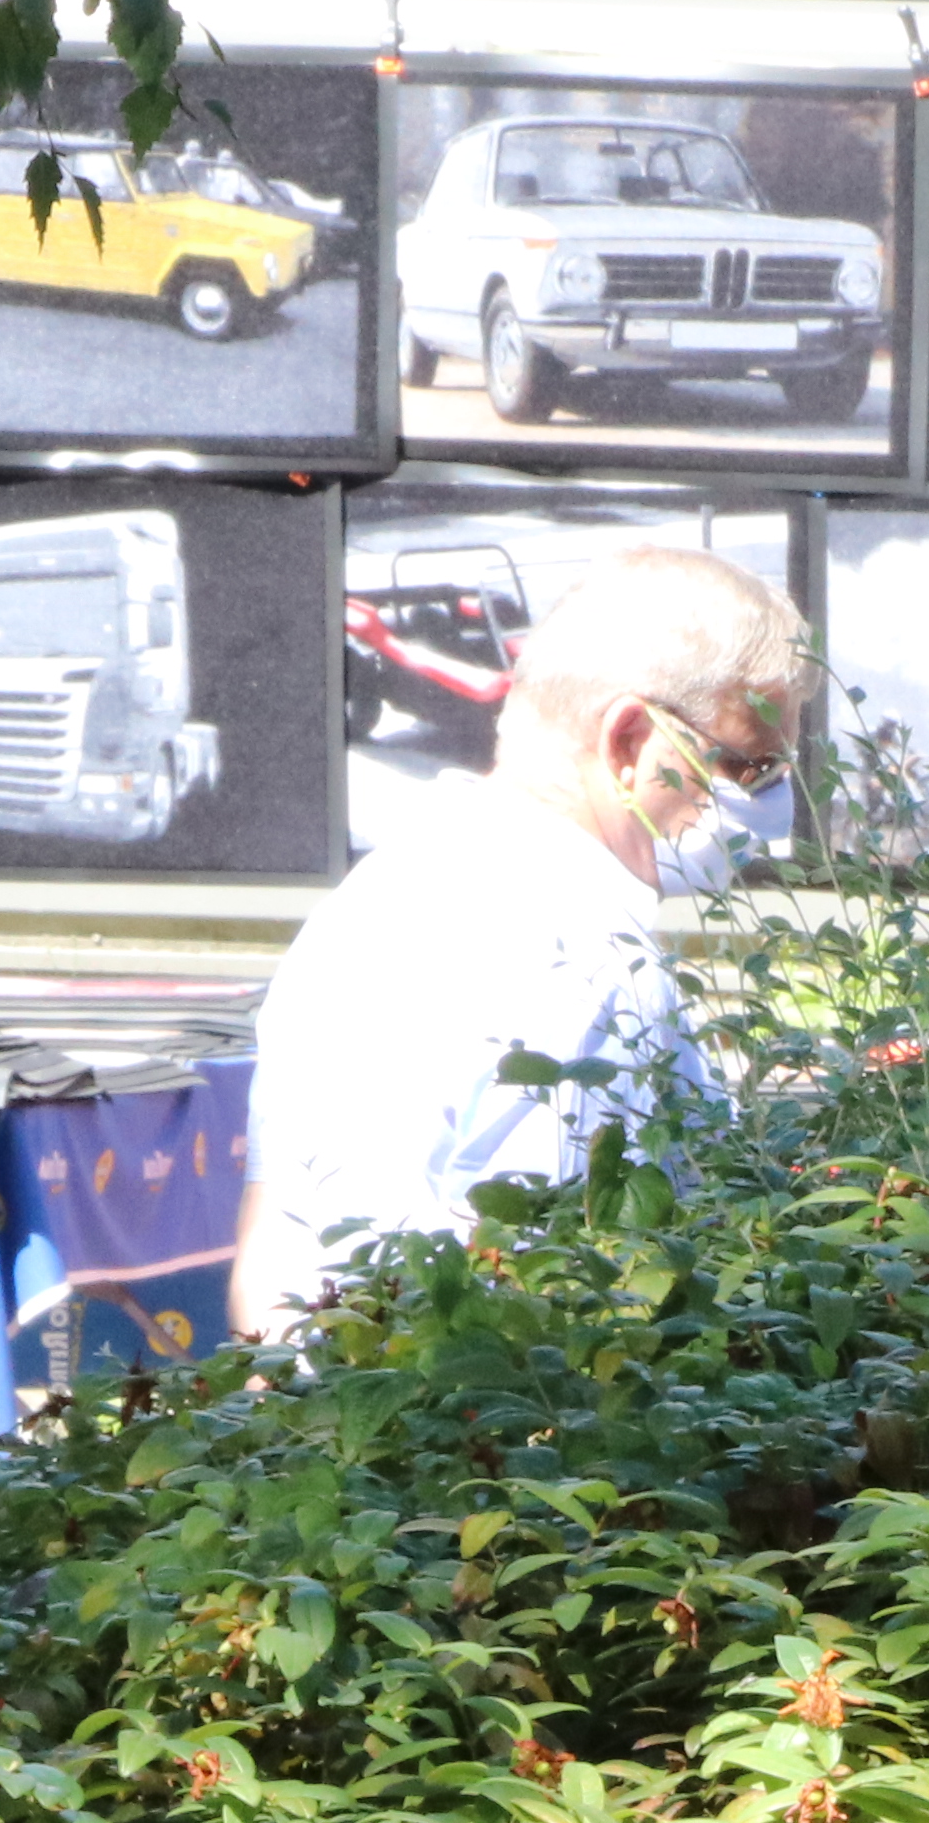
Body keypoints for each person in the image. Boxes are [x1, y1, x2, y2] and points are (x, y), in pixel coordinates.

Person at [236, 546, 806, 1340]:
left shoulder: (569, 910)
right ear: (630, 739)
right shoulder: (457, 920)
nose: (770, 809)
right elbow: (331, 1277)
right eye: (750, 767)